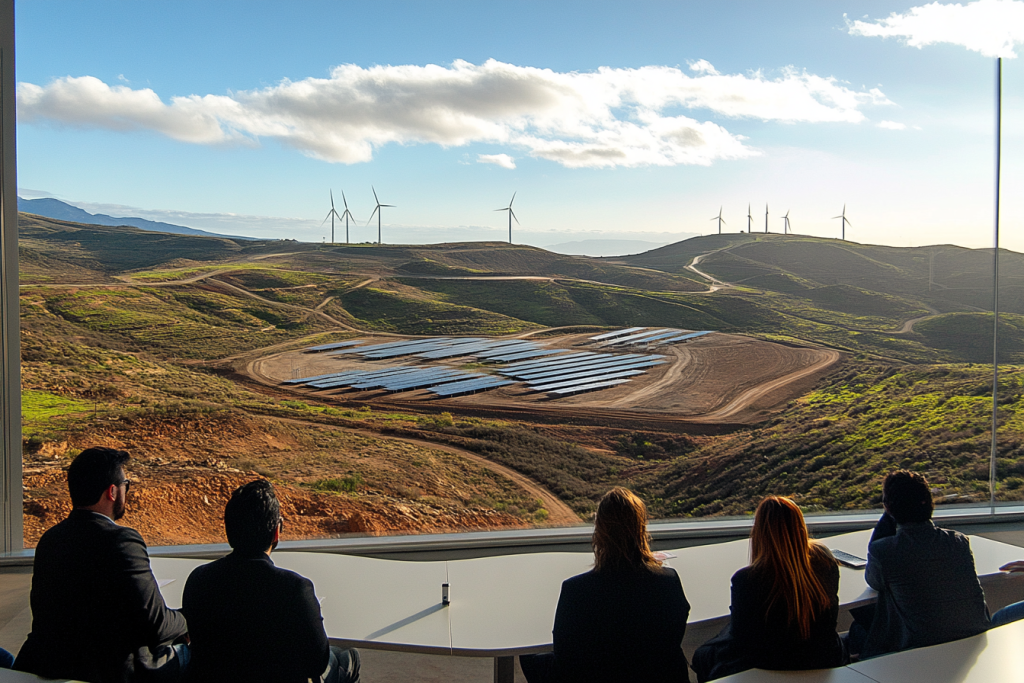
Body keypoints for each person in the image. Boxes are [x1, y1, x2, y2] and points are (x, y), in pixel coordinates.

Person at [14, 447, 188, 683]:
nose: (127, 490)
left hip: (52, 664)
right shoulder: (121, 541)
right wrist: (188, 619)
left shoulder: (50, 539)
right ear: (112, 492)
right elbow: (156, 624)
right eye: (126, 484)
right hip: (113, 671)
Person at [181, 479, 360, 683]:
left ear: (229, 531)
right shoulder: (295, 588)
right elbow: (316, 663)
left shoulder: (199, 580)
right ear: (276, 532)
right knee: (348, 658)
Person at [519, 487, 691, 683]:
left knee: (529, 655)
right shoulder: (669, 581)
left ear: (599, 532)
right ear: (641, 528)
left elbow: (564, 657)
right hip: (656, 675)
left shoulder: (576, 591)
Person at [691, 496, 845, 682]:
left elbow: (740, 640)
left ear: (760, 532)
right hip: (822, 658)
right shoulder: (826, 564)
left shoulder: (747, 580)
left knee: (702, 655)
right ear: (801, 528)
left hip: (770, 663)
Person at [848, 470, 990, 658]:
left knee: (858, 628)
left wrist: (883, 527)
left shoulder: (885, 550)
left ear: (888, 508)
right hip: (974, 638)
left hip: (921, 648)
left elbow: (874, 582)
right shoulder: (959, 542)